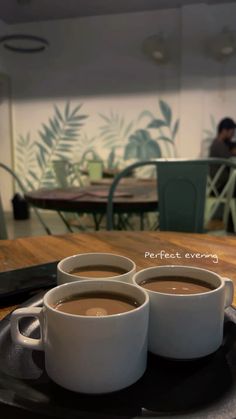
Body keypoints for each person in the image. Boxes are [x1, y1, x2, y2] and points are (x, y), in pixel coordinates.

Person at [209, 117, 236, 192]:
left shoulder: (219, 143)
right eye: (232, 132)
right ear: (224, 130)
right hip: (220, 185)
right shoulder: (219, 144)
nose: (233, 135)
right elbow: (231, 163)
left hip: (221, 183)